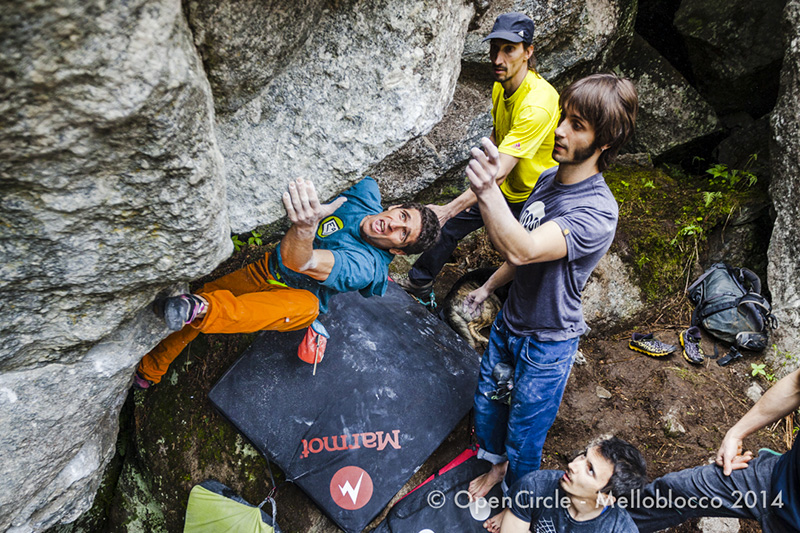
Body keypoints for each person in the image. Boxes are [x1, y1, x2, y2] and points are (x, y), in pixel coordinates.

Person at [462, 74, 638, 498]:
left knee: (524, 433)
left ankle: (518, 505)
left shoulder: (597, 212)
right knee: (489, 406)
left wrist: (488, 191)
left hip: (547, 343)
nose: (559, 130)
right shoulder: (546, 180)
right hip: (510, 324)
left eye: (577, 125)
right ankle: (495, 469)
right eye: (564, 118)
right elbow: (521, 260)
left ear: (606, 141)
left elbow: (523, 248)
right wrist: (487, 289)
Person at [134, 176, 440, 389]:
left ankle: (201, 308)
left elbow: (300, 261)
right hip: (266, 270)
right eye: (402, 215)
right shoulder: (364, 193)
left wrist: (306, 227)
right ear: (394, 206)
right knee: (196, 309)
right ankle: (156, 364)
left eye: (402, 233)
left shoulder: (366, 267)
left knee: (293, 307)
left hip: (298, 298)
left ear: (398, 250)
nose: (393, 224)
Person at [398, 12, 560, 305]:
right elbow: (499, 141)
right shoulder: (502, 86)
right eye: (494, 48)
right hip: (504, 184)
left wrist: (448, 208)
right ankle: (418, 284)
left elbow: (497, 174)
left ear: (528, 52)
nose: (498, 59)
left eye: (509, 49)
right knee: (450, 224)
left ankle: (506, 315)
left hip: (534, 196)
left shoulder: (538, 103)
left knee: (521, 259)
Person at [628, 368, 800, 532]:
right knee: (676, 489)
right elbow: (796, 385)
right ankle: (607, 524)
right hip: (776, 477)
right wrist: (736, 434)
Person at [483, 436, 647, 533]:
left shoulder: (618, 530)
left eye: (590, 470)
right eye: (583, 456)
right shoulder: (534, 486)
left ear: (607, 498)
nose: (572, 465)